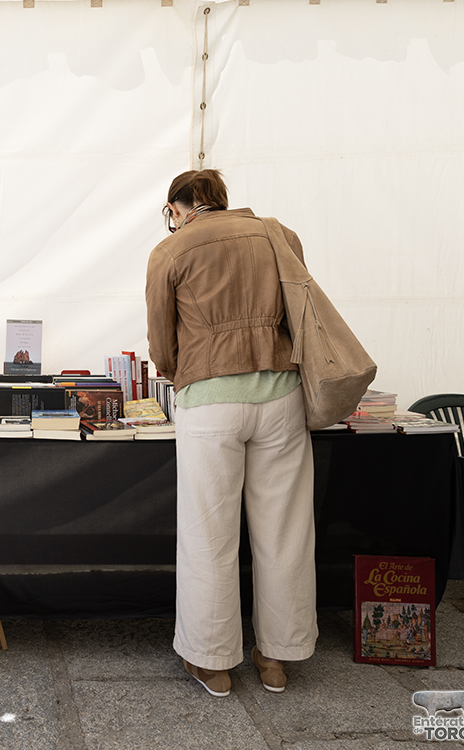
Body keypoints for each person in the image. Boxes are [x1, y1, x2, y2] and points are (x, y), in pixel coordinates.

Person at [145, 169, 317, 697]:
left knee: (208, 536)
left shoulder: (169, 252)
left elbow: (162, 344)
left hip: (210, 401)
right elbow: (301, 314)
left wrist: (186, 369)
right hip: (282, 395)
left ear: (180, 207)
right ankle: (277, 658)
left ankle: (212, 663)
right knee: (284, 534)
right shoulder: (279, 235)